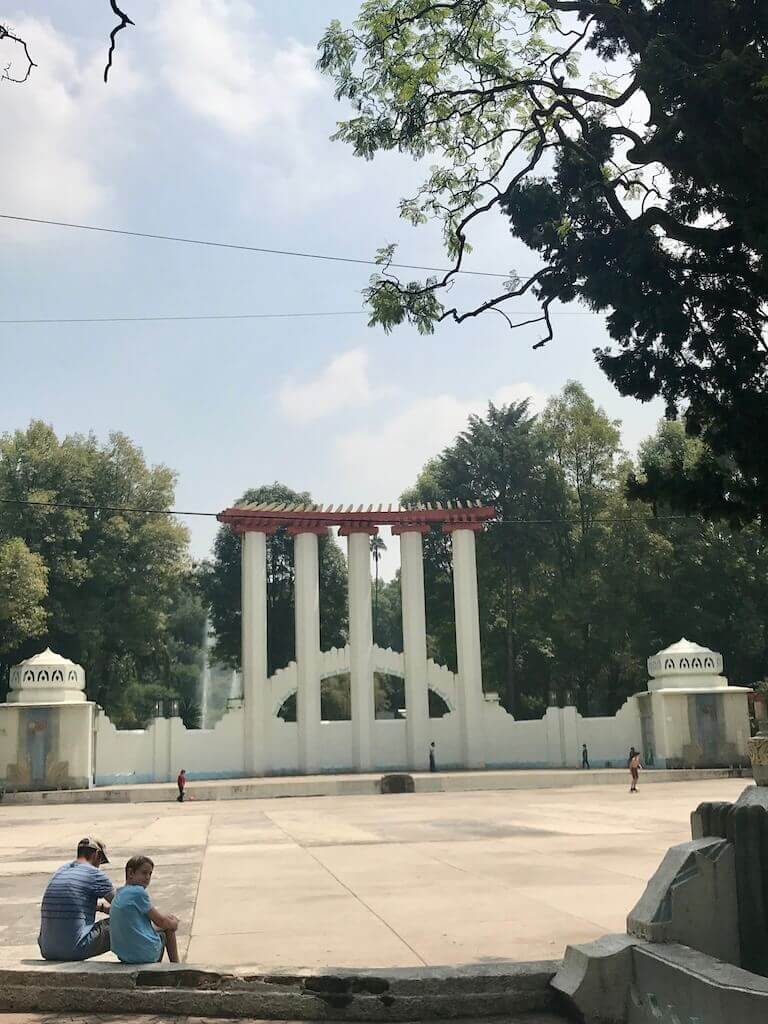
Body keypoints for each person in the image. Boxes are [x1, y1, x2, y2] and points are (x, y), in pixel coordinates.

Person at [39, 837, 115, 961]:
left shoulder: (60, 871)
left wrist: (101, 907)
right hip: (74, 949)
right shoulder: (94, 874)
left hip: (47, 949)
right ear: (96, 855)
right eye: (101, 862)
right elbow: (125, 907)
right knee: (128, 921)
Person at [110, 855, 180, 964]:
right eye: (144, 873)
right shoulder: (138, 892)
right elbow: (161, 921)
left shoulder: (120, 893)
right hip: (144, 955)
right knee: (168, 927)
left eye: (150, 874)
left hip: (124, 955)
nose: (147, 877)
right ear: (131, 873)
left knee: (161, 924)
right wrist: (174, 923)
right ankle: (177, 967)